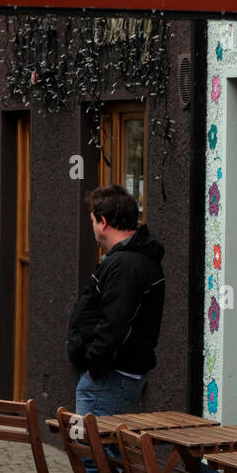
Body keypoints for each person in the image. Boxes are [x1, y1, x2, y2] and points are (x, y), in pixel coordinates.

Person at [67, 185, 165, 434]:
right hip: (112, 375)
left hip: (109, 377)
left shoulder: (126, 265)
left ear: (103, 222)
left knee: (93, 452)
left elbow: (114, 323)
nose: (92, 227)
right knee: (101, 451)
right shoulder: (128, 260)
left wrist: (94, 366)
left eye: (92, 220)